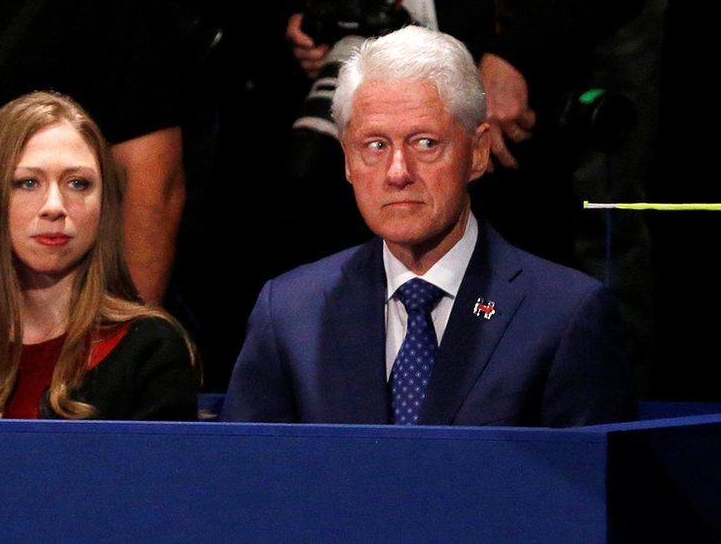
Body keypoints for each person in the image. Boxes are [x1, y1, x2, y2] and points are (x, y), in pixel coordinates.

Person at [222, 26, 634, 426]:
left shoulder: (565, 315)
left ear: (477, 152)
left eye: (425, 143)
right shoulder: (291, 313)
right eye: (375, 146)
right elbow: (246, 481)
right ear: (348, 160)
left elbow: (592, 489)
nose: (397, 172)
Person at [0, 92, 198, 420]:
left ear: (104, 204)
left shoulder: (150, 352)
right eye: (28, 183)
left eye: (78, 183)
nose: (55, 206)